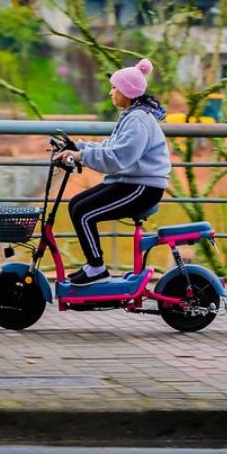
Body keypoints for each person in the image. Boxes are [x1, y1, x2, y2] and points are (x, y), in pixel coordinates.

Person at [56, 58, 171, 286]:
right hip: (130, 182)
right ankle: (94, 265)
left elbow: (118, 158)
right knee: (76, 205)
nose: (111, 92)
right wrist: (78, 147)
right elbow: (111, 147)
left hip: (142, 188)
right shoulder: (131, 116)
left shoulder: (138, 120)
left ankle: (97, 269)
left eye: (114, 87)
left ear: (127, 91)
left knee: (84, 213)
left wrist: (80, 157)